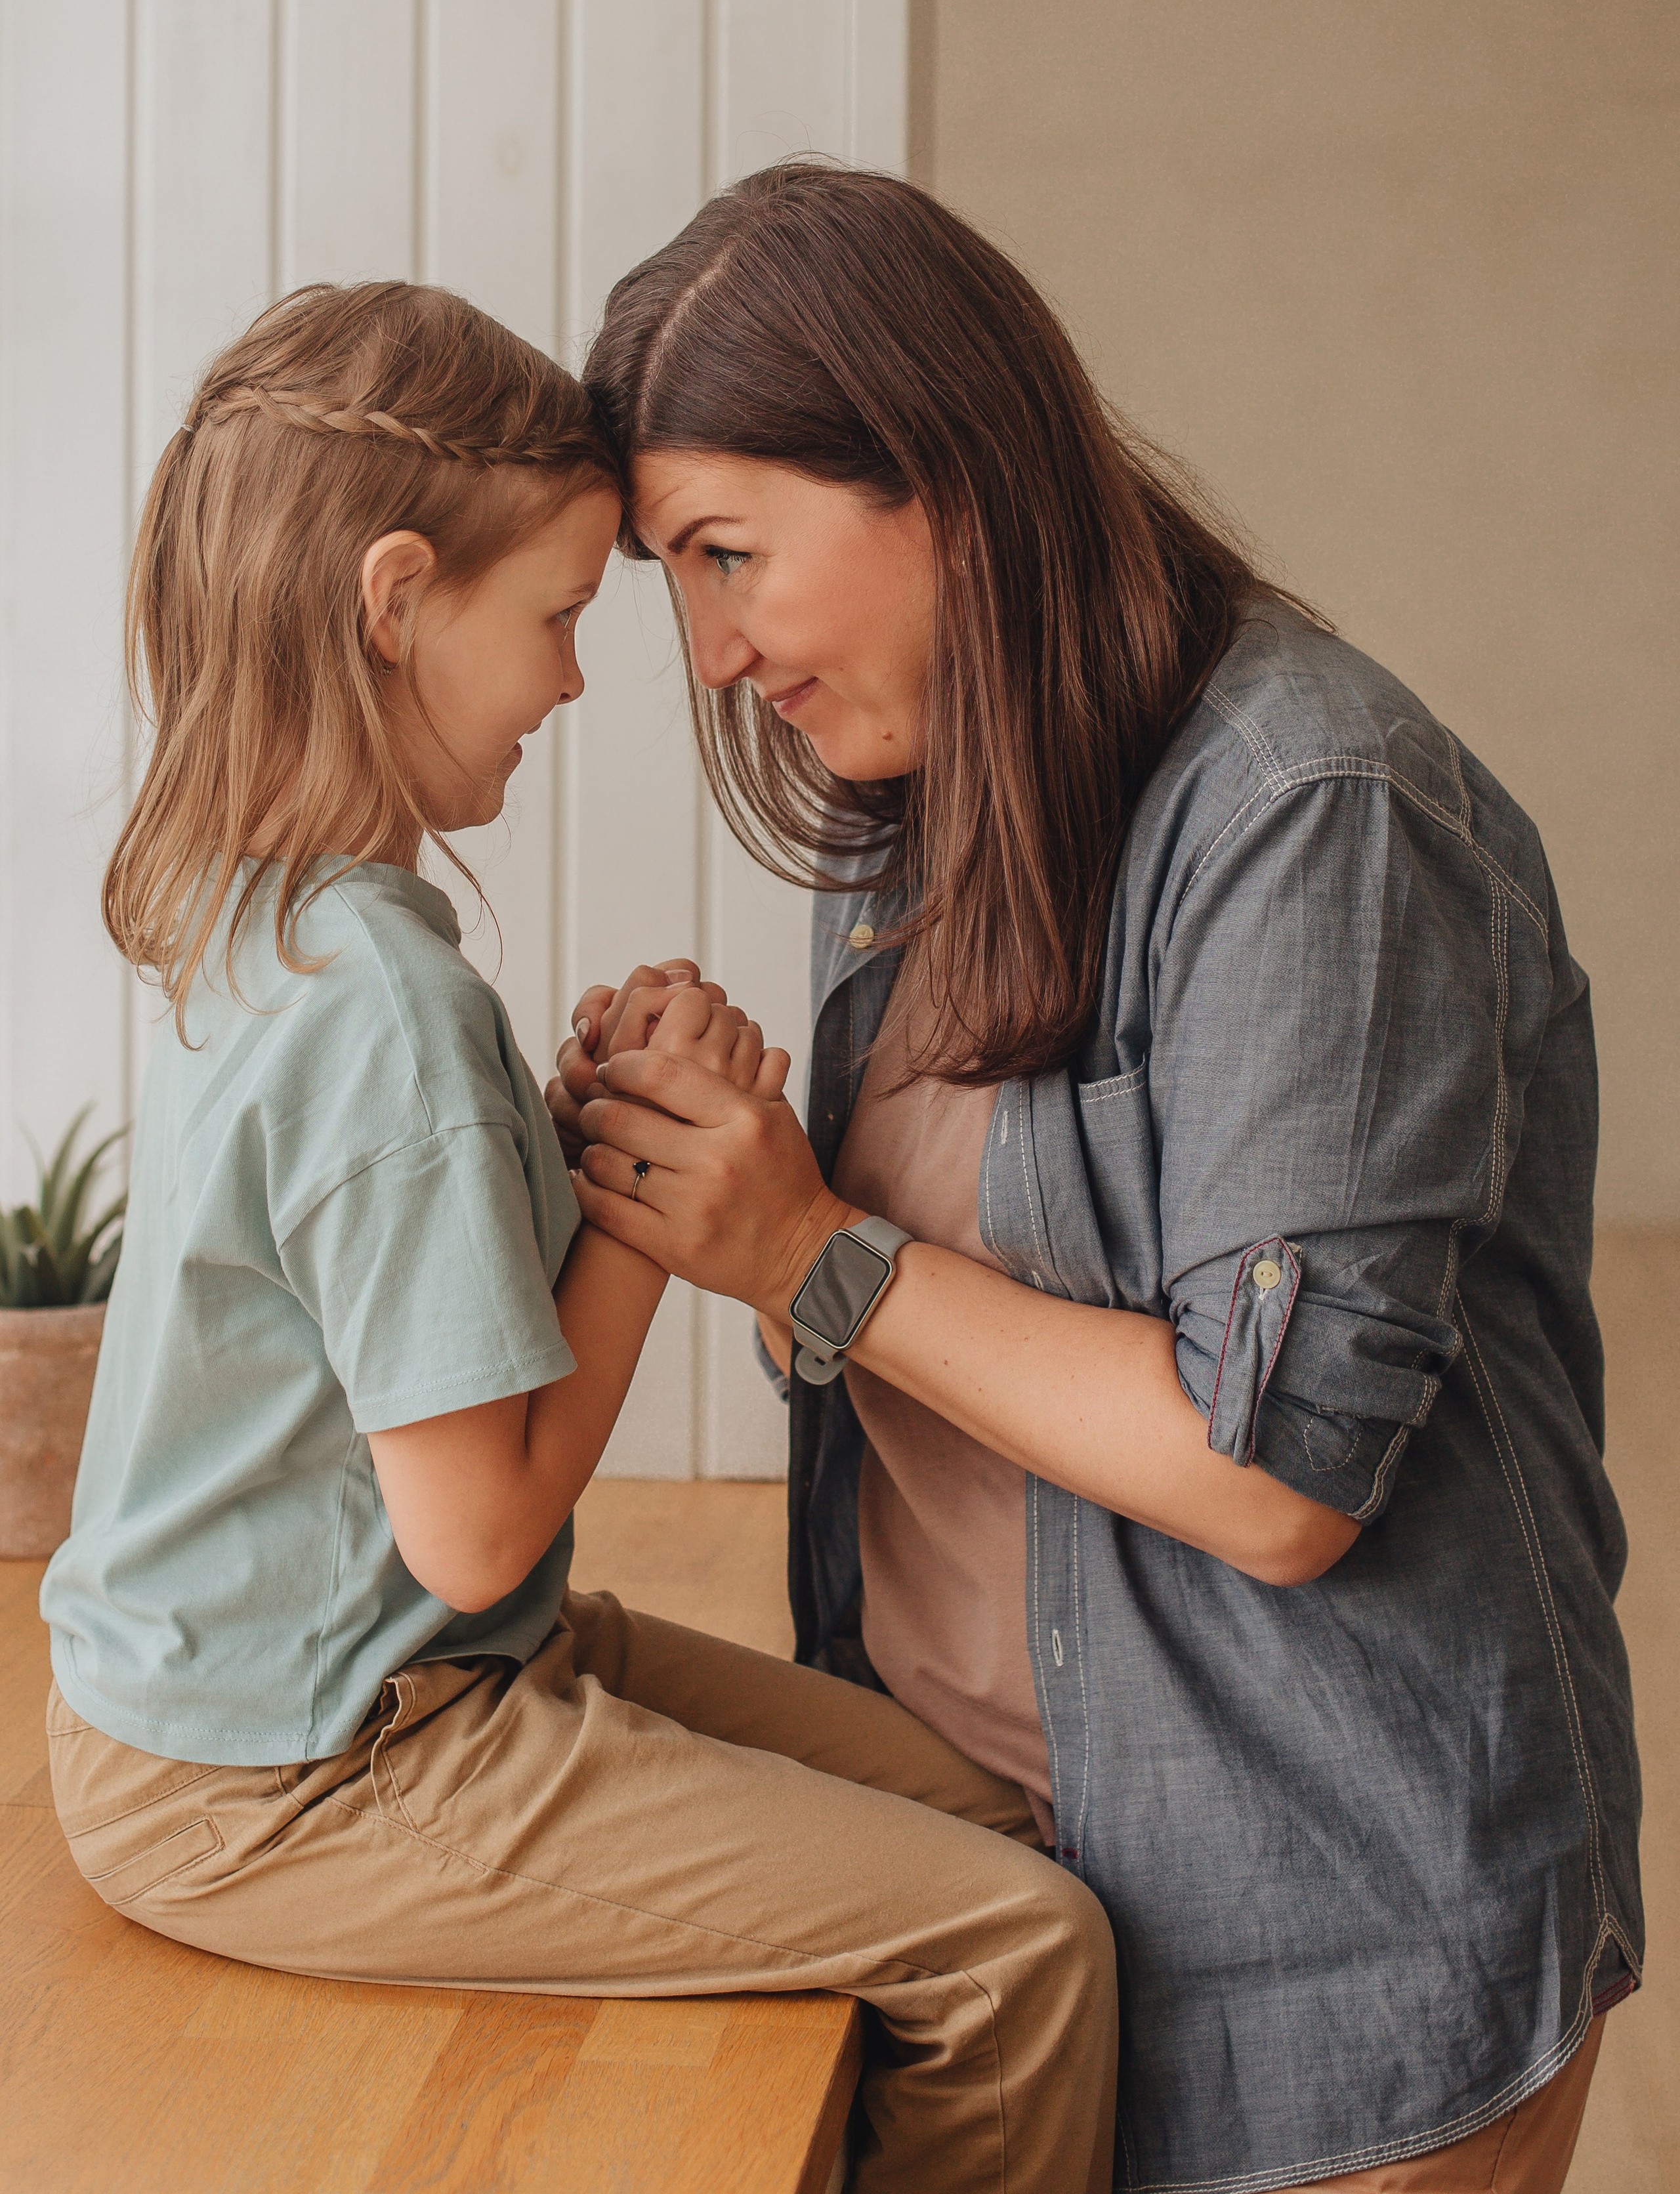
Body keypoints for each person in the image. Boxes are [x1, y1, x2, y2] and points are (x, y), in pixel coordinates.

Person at [549, 163, 1643, 2194]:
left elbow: (1278, 1477)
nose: (708, 650)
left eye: (726, 556)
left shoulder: (1312, 811)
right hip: (1014, 1896)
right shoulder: (916, 805)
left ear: (940, 472)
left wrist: (806, 1243)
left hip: (1326, 1956)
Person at [39, 280, 1120, 2194]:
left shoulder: (278, 911)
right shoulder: (380, 1007)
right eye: (552, 615)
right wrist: (641, 1203)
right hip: (307, 1763)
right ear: (393, 600)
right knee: (1021, 1941)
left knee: (989, 1814)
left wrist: (570, 1127)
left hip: (345, 1684)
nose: (577, 677)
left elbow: (353, 1277)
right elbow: (474, 1523)